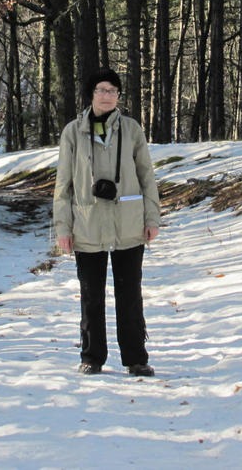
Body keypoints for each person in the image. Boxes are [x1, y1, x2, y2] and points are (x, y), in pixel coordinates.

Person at [53, 67, 161, 376]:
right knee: (91, 296)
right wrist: (63, 227)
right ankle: (92, 357)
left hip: (128, 223)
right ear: (91, 94)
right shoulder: (73, 132)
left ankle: (136, 359)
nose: (107, 96)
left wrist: (152, 217)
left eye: (113, 91)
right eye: (101, 90)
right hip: (87, 224)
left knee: (130, 295)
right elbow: (63, 185)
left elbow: (146, 176)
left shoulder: (131, 129)